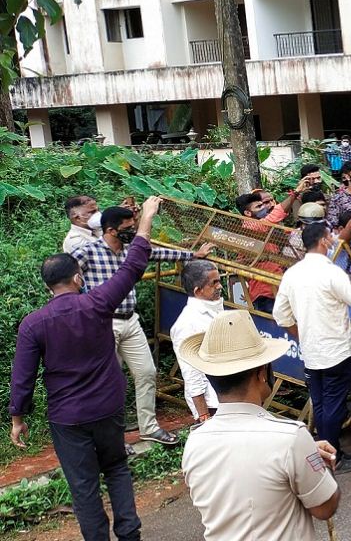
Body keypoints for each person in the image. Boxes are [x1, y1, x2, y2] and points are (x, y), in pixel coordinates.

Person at [10, 196, 166, 541]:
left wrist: (17, 418)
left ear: (48, 286)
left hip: (68, 417)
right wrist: (146, 219)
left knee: (83, 485)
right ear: (78, 278)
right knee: (117, 468)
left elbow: (23, 377)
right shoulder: (97, 303)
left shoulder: (33, 324)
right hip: (108, 407)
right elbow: (133, 265)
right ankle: (129, 534)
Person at [180, 310, 340, 540]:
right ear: (261, 373)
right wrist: (317, 464)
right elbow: (324, 508)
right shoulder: (291, 439)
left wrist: (301, 455)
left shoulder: (195, 443)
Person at [71, 205, 212, 446]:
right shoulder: (87, 252)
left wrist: (193, 255)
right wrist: (77, 306)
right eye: (128, 228)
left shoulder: (131, 250)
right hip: (104, 323)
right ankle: (111, 438)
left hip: (130, 320)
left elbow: (157, 254)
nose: (134, 231)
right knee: (108, 382)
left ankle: (149, 427)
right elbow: (63, 276)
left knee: (146, 373)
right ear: (111, 231)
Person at [273, 222, 351, 472]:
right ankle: (332, 456)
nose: (334, 238)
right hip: (337, 350)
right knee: (334, 405)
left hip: (311, 352)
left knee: (321, 403)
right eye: (330, 236)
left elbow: (281, 316)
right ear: (323, 241)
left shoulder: (292, 274)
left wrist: (302, 335)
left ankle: (325, 454)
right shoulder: (332, 272)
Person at [169, 260, 224, 423]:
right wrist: (203, 415)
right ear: (198, 291)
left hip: (228, 395)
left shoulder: (214, 308)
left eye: (219, 281)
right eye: (214, 283)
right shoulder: (187, 323)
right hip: (212, 403)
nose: (220, 286)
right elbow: (191, 372)